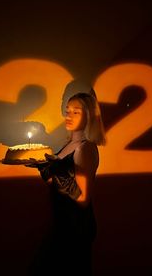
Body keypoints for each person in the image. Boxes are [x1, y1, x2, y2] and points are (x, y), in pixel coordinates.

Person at [27, 91, 106, 276]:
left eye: (76, 112)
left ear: (89, 116)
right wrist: (44, 169)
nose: (68, 116)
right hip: (62, 223)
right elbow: (56, 184)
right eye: (67, 110)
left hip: (75, 228)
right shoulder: (69, 144)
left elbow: (83, 199)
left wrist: (54, 171)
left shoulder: (85, 148)